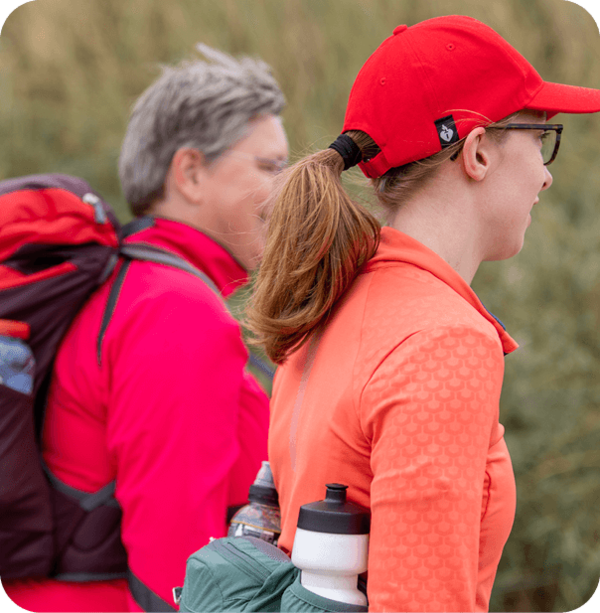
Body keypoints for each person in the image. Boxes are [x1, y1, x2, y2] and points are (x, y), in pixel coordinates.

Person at [246, 15, 600, 612]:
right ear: (479, 151)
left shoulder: (331, 301)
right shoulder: (443, 340)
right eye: (541, 140)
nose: (544, 176)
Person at [3, 44, 288, 612]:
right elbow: (177, 568)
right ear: (189, 171)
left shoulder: (136, 285)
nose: (289, 191)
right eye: (270, 167)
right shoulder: (175, 309)